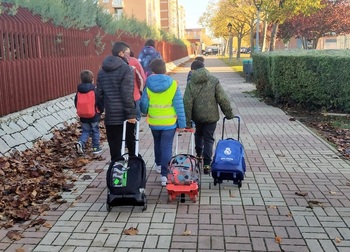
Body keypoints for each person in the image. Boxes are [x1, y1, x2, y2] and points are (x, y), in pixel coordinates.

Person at [140, 59, 186, 186]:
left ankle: (159, 164)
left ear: (152, 70)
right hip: (170, 122)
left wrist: (145, 110)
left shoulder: (148, 84)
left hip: (154, 121)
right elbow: (179, 105)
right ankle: (164, 176)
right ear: (164, 69)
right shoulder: (173, 84)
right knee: (166, 146)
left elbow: (143, 105)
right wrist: (182, 124)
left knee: (157, 143)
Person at [183, 60, 234, 174]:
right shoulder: (214, 80)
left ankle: (199, 154)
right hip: (211, 116)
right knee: (209, 139)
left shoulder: (191, 83)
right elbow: (222, 98)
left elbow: (187, 102)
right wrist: (229, 113)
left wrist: (187, 121)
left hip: (197, 116)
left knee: (198, 134)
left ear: (193, 70)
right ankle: (207, 164)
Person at [96, 41, 137, 161]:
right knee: (131, 144)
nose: (129, 56)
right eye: (128, 53)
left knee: (114, 148)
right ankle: (132, 170)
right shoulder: (126, 69)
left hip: (110, 117)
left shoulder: (102, 71)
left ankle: (116, 173)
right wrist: (131, 114)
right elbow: (127, 94)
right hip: (125, 116)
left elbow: (99, 94)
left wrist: (104, 108)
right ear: (121, 53)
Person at [74, 70, 104, 155]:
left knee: (85, 131)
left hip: (83, 115)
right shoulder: (94, 90)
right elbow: (99, 102)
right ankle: (96, 147)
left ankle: (81, 142)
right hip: (93, 114)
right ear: (92, 79)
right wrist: (101, 110)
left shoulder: (79, 91)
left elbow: (76, 102)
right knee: (95, 130)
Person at [128, 51, 146, 120]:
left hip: (119, 99)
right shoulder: (134, 62)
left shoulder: (115, 63)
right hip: (135, 95)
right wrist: (141, 91)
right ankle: (136, 129)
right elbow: (141, 78)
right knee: (137, 117)